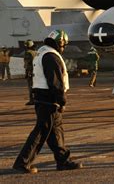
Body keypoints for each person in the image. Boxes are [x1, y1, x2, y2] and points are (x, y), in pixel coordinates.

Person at [12, 30, 83, 174]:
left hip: (42, 97)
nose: (64, 48)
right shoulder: (51, 56)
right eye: (63, 45)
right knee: (41, 132)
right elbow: (55, 81)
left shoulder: (42, 52)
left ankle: (62, 161)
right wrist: (61, 100)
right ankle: (22, 163)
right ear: (60, 43)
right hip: (49, 99)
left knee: (55, 131)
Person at [24, 40, 36, 105]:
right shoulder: (35, 52)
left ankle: (32, 100)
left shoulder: (28, 53)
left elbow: (27, 63)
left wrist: (27, 72)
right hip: (36, 71)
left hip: (30, 71)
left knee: (30, 86)